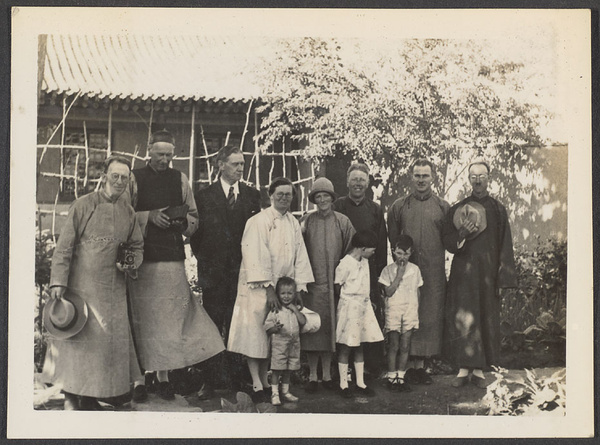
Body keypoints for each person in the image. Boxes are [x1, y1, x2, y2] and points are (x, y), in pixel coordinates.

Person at [127, 129, 224, 401]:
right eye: (159, 155)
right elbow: (122, 215)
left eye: (169, 155)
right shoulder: (134, 178)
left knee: (169, 320)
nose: (164, 160)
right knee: (142, 317)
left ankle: (164, 377)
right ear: (149, 150)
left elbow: (194, 216)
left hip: (170, 258)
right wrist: (148, 217)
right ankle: (138, 380)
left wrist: (184, 224)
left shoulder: (180, 179)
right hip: (141, 260)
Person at [42, 156, 144, 410]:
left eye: (124, 177)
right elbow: (64, 246)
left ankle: (90, 397)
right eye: (115, 176)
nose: (120, 182)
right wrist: (58, 281)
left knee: (102, 347)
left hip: (113, 290)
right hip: (81, 287)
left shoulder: (127, 211)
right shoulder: (83, 205)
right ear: (104, 177)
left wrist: (129, 263)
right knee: (77, 342)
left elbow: (136, 245)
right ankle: (69, 396)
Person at [227, 177, 314, 403]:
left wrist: (299, 289)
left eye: (288, 194)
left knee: (274, 336)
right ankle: (256, 382)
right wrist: (268, 290)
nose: (284, 198)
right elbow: (254, 255)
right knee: (256, 333)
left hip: (283, 289)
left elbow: (300, 255)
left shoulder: (293, 223)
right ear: (270, 195)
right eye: (280, 194)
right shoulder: (258, 221)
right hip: (259, 287)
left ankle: (267, 382)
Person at [190, 145, 261, 396]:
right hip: (214, 274)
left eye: (242, 164)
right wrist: (209, 262)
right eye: (235, 164)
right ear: (221, 165)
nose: (240, 168)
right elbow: (196, 236)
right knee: (212, 325)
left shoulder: (253, 197)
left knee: (238, 326)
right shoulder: (204, 196)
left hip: (241, 274)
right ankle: (210, 381)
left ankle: (236, 380)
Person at [442, 160, 517, 388]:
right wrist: (461, 233)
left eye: (482, 176)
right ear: (468, 179)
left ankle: (480, 371)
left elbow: (505, 245)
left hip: (487, 274)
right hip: (463, 275)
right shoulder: (457, 209)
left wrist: (502, 278)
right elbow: (448, 243)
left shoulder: (497, 209)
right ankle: (464, 370)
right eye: (473, 176)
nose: (477, 180)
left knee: (485, 317)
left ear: (488, 178)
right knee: (464, 319)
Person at [386, 159, 450, 385]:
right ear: (411, 177)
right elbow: (394, 239)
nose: (421, 180)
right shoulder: (399, 206)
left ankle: (421, 366)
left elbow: (449, 240)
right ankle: (406, 365)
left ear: (433, 178)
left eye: (425, 175)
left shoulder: (443, 207)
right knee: (406, 311)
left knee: (428, 314)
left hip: (432, 271)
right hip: (406, 271)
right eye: (417, 175)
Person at [300, 177, 355, 393]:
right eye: (318, 196)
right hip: (312, 285)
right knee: (313, 327)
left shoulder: (342, 221)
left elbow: (352, 251)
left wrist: (342, 278)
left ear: (332, 198)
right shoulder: (306, 221)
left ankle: (327, 375)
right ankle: (313, 376)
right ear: (314, 199)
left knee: (331, 329)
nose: (322, 200)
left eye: (326, 196)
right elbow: (297, 250)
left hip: (335, 285)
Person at [333, 163, 387, 376]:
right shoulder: (338, 206)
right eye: (354, 179)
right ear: (347, 182)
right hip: (345, 273)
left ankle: (368, 371)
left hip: (369, 274)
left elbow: (381, 244)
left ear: (368, 183)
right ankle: (341, 371)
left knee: (368, 320)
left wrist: (380, 276)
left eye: (362, 180)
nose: (358, 183)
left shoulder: (374, 209)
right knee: (344, 323)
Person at [334, 230, 384, 398]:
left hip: (364, 306)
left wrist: (368, 300)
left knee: (360, 344)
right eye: (372, 249)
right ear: (362, 248)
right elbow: (338, 286)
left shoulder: (365, 262)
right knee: (347, 345)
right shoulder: (345, 264)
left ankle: (360, 383)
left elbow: (365, 284)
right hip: (349, 308)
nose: (374, 252)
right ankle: (343, 384)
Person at [378, 235, 424, 392]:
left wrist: (415, 312)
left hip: (410, 310)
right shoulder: (387, 271)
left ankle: (401, 377)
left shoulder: (415, 270)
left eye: (406, 254)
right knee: (394, 345)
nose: (402, 257)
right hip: (394, 310)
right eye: (399, 253)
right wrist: (399, 274)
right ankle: (391, 377)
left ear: (411, 253)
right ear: (393, 251)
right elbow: (388, 292)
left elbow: (418, 292)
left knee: (405, 345)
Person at [263, 277, 307, 406]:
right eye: (283, 293)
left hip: (294, 344)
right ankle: (275, 393)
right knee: (277, 369)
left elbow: (303, 322)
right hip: (280, 344)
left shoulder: (295, 308)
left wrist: (295, 309)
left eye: (289, 293)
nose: (286, 297)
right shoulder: (275, 310)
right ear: (278, 294)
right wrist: (274, 328)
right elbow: (267, 327)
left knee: (288, 369)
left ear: (294, 294)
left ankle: (285, 391)